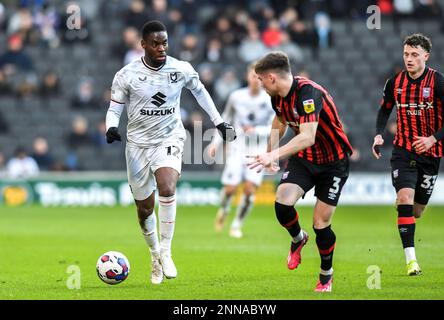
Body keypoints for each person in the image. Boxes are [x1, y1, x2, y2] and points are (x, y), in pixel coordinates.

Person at [105, 20, 236, 285]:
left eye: (164, 43)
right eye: (155, 43)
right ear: (143, 45)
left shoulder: (181, 68)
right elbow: (115, 108)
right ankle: (154, 254)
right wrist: (111, 127)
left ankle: (166, 249)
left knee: (167, 187)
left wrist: (219, 122)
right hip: (137, 145)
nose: (161, 48)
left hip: (169, 137)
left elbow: (201, 93)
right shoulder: (126, 75)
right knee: (144, 209)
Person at [247, 51, 353, 292]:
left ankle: (326, 274)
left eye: (261, 79)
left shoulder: (309, 93)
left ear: (272, 77)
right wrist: (269, 151)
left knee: (320, 224)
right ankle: (298, 238)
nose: (259, 84)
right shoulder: (277, 97)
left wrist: (274, 155)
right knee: (282, 204)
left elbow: (307, 136)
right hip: (305, 160)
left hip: (333, 163)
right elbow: (280, 121)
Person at [372, 33, 444, 276]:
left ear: (426, 56)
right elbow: (384, 110)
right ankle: (411, 261)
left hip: (431, 152)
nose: (409, 59)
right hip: (403, 150)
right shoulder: (394, 83)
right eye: (406, 54)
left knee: (416, 211)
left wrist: (432, 139)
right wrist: (378, 134)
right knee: (404, 198)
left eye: (415, 55)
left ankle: (408, 213)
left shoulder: (438, 82)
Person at [207, 62, 273, 238]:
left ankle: (236, 225)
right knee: (230, 189)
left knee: (250, 190)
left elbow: (276, 127)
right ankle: (224, 208)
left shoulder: (269, 99)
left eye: (260, 78)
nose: (256, 80)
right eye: (253, 76)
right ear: (247, 77)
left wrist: (256, 131)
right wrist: (215, 143)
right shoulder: (236, 97)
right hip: (237, 148)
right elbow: (224, 121)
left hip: (258, 150)